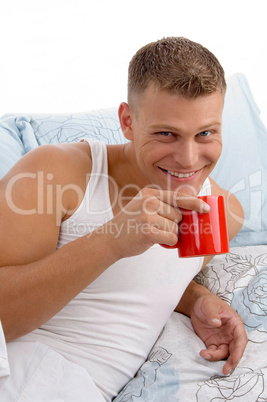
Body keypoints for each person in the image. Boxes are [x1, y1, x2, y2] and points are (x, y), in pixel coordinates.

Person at [0, 37, 247, 401]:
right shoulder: (55, 171)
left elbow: (147, 283)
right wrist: (111, 240)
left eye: (206, 133)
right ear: (128, 121)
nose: (189, 158)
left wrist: (196, 300)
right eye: (167, 134)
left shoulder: (224, 211)